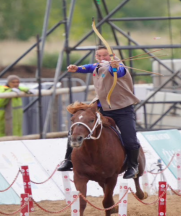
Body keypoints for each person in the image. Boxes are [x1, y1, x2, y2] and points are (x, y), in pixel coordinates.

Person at [58, 45, 140, 179]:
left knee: (130, 139)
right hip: (102, 108)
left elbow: (117, 72)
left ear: (112, 56)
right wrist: (77, 68)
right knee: (77, 128)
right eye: (99, 56)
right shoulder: (97, 66)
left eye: (105, 55)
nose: (102, 58)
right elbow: (89, 67)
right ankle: (68, 160)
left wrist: (114, 66)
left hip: (122, 110)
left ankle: (132, 166)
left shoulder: (119, 67)